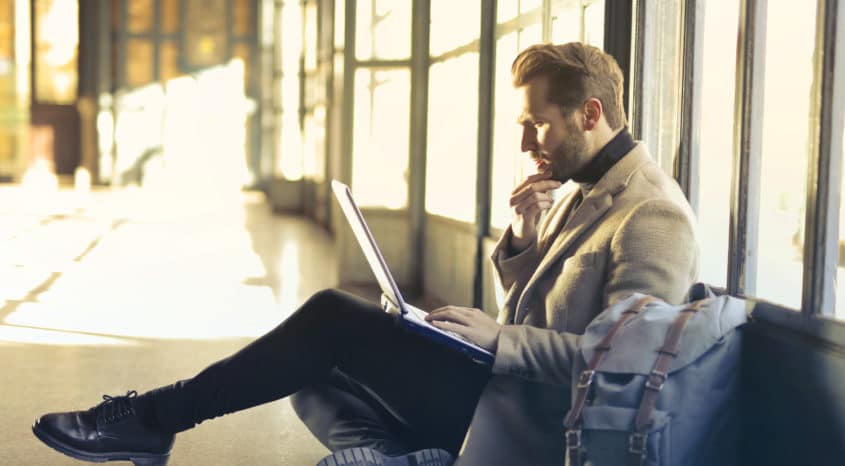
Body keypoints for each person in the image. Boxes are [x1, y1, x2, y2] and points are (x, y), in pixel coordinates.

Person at [31, 42, 698, 466]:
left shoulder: (652, 215)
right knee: (310, 376)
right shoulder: (584, 190)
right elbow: (548, 314)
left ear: (588, 113)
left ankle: (152, 419)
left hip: (536, 424)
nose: (526, 143)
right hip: (499, 387)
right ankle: (406, 456)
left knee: (329, 320)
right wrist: (522, 244)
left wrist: (498, 341)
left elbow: (624, 374)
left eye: (537, 124)